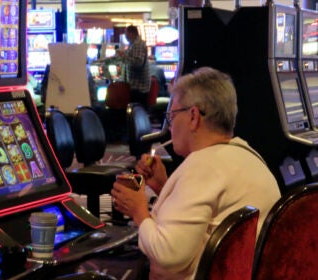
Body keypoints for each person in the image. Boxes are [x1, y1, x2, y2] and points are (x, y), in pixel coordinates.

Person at [111, 67, 281, 279]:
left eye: (171, 116)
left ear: (193, 116)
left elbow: (168, 254)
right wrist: (164, 187)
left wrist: (138, 211)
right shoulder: (249, 156)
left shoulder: (203, 165)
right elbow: (202, 218)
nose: (170, 127)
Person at [116, 25, 150, 107]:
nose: (126, 36)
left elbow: (138, 63)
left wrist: (123, 55)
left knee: (135, 112)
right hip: (136, 85)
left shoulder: (137, 44)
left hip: (138, 86)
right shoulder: (133, 44)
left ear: (131, 33)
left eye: (126, 34)